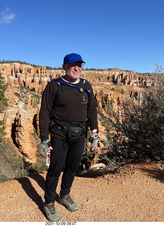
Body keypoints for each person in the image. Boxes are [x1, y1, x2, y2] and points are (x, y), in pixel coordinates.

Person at [39, 53, 99, 222]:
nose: (76, 68)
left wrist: (94, 133)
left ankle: (64, 195)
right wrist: (44, 138)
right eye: (73, 65)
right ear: (64, 67)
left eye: (79, 65)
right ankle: (49, 202)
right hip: (59, 134)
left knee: (72, 167)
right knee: (55, 169)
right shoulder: (54, 85)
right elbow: (44, 112)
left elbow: (92, 111)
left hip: (80, 134)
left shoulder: (87, 86)